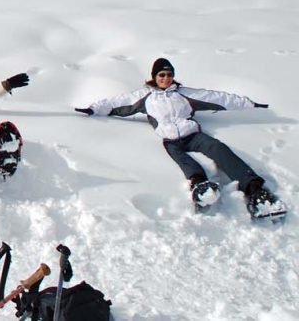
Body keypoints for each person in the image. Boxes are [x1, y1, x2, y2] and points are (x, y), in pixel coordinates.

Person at [75, 58, 285, 219]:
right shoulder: (146, 96)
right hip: (170, 140)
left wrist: (249, 103)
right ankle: (200, 185)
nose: (166, 78)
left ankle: (256, 191)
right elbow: (118, 103)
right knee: (182, 159)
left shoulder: (183, 93)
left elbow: (218, 98)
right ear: (154, 77)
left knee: (219, 150)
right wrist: (93, 109)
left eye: (169, 74)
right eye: (162, 75)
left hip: (193, 135)